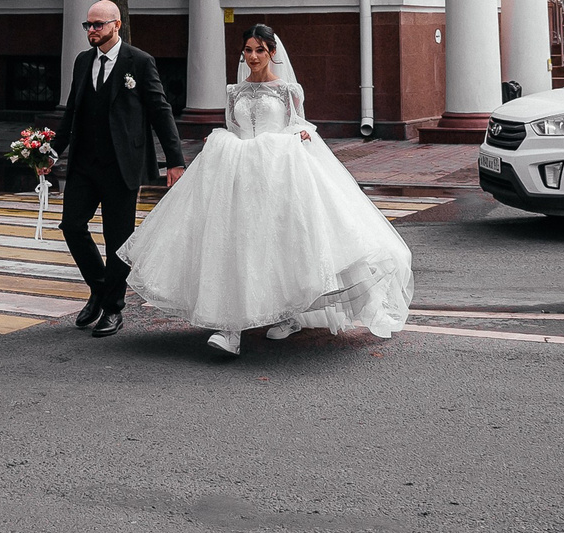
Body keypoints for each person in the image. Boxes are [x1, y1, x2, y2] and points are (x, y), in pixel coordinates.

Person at [121, 24, 412, 358]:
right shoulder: (234, 91)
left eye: (260, 50)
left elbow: (298, 124)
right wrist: (218, 142)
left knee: (280, 244)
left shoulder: (288, 90)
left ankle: (287, 313)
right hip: (237, 175)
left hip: (276, 172)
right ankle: (229, 328)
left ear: (272, 52)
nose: (253, 57)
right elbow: (233, 128)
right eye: (248, 50)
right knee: (233, 244)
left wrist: (301, 135)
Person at [53, 0, 185, 338]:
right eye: (88, 25)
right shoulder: (83, 62)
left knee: (118, 239)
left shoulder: (139, 62)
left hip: (122, 165)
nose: (92, 30)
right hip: (84, 163)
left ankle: (113, 308)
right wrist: (50, 152)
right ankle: (100, 289)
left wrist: (174, 160)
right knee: (71, 226)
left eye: (98, 24)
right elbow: (72, 112)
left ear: (116, 25)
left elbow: (160, 110)